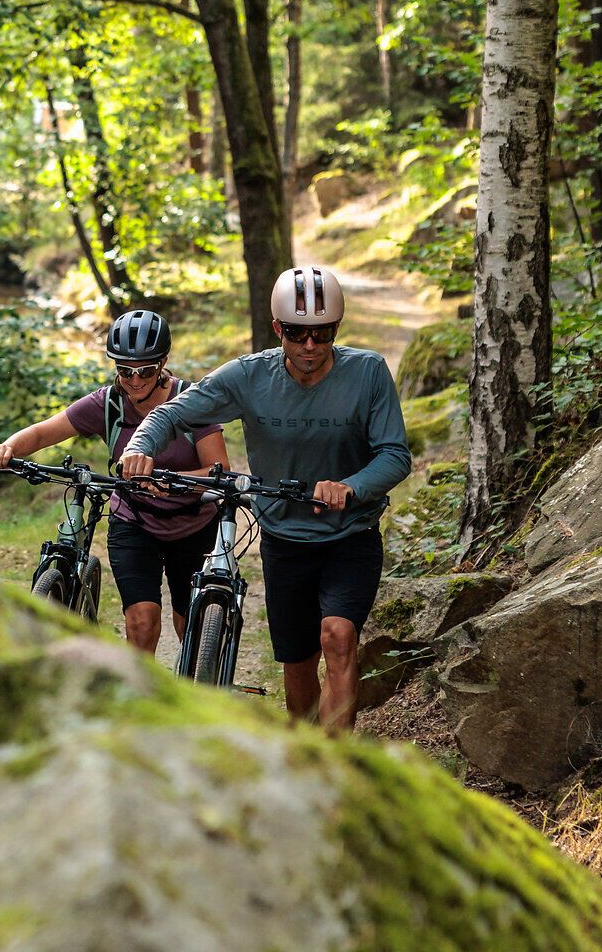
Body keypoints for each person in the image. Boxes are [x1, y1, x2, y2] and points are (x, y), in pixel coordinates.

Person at [118, 266, 411, 733]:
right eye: (297, 333)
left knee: (339, 638)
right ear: (279, 329)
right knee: (297, 674)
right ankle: (304, 751)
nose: (310, 346)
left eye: (322, 333)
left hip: (350, 536)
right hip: (284, 540)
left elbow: (395, 454)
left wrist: (351, 487)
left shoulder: (368, 373)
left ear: (337, 329)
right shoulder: (249, 376)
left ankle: (337, 768)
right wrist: (139, 447)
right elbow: (173, 413)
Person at [0, 310, 230, 656]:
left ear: (162, 363)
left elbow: (220, 471)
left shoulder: (192, 402)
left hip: (192, 525)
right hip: (134, 521)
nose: (134, 380)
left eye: (145, 370)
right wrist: (8, 447)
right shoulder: (109, 404)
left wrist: (174, 481)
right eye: (124, 370)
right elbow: (45, 431)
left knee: (187, 623)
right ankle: (135, 704)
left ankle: (192, 693)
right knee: (142, 621)